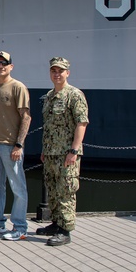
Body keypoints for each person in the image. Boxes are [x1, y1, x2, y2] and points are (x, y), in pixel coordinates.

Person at [38, 56, 89, 247]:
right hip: (51, 153)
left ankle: (65, 230)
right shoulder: (50, 96)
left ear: (68, 72)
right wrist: (45, 150)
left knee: (66, 191)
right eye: (54, 71)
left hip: (67, 153)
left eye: (60, 71)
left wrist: (74, 150)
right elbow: (49, 126)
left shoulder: (74, 95)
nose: (57, 74)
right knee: (52, 190)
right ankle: (56, 223)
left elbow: (81, 123)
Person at [0, 51, 32, 241]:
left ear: (11, 66)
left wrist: (19, 144)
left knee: (17, 187)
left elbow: (26, 116)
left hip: (11, 146)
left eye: (5, 63)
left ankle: (20, 227)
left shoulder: (18, 87)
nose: (1, 66)